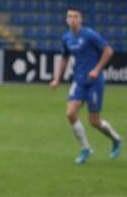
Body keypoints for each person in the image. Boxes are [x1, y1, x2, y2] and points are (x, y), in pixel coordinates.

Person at [49, 8, 123, 163]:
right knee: (70, 114)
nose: (72, 19)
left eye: (75, 16)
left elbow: (108, 51)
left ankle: (116, 139)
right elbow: (64, 58)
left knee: (94, 122)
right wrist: (57, 79)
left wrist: (96, 69)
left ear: (80, 20)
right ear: (66, 19)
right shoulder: (66, 37)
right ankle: (86, 149)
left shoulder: (89, 35)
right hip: (79, 81)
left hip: (94, 82)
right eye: (69, 16)